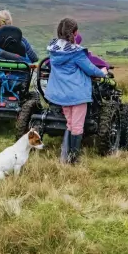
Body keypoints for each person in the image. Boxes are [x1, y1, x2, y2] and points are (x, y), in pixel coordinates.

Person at [45, 18, 108, 164]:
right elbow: (90, 69)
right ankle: (74, 158)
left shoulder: (54, 50)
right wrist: (103, 72)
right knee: (77, 125)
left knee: (70, 123)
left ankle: (65, 155)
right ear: (75, 32)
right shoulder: (76, 53)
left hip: (61, 94)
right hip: (77, 94)